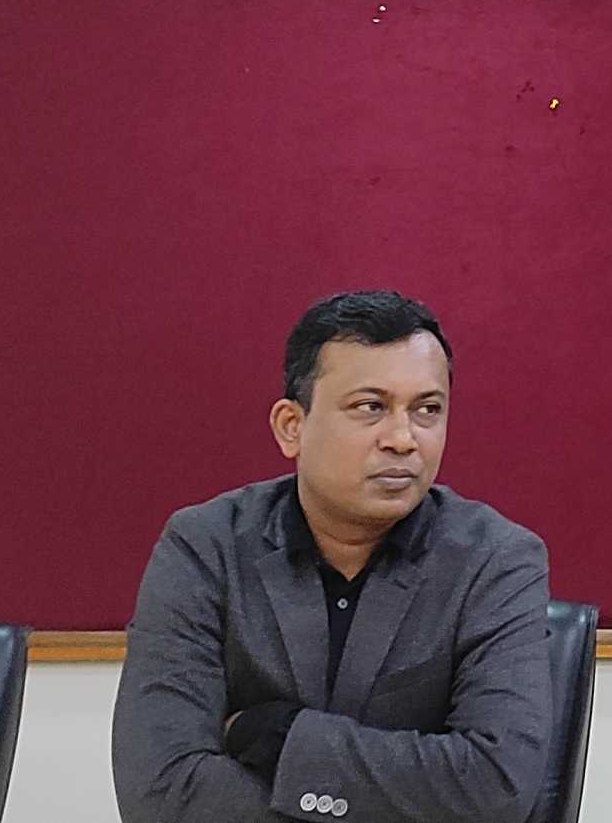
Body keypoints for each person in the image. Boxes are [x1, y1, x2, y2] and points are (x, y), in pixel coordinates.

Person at [111, 291, 554, 823]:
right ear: (291, 426)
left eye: (427, 410)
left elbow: (496, 788)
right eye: (371, 407)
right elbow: (159, 790)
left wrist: (280, 738)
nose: (403, 439)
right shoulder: (206, 547)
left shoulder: (496, 560)